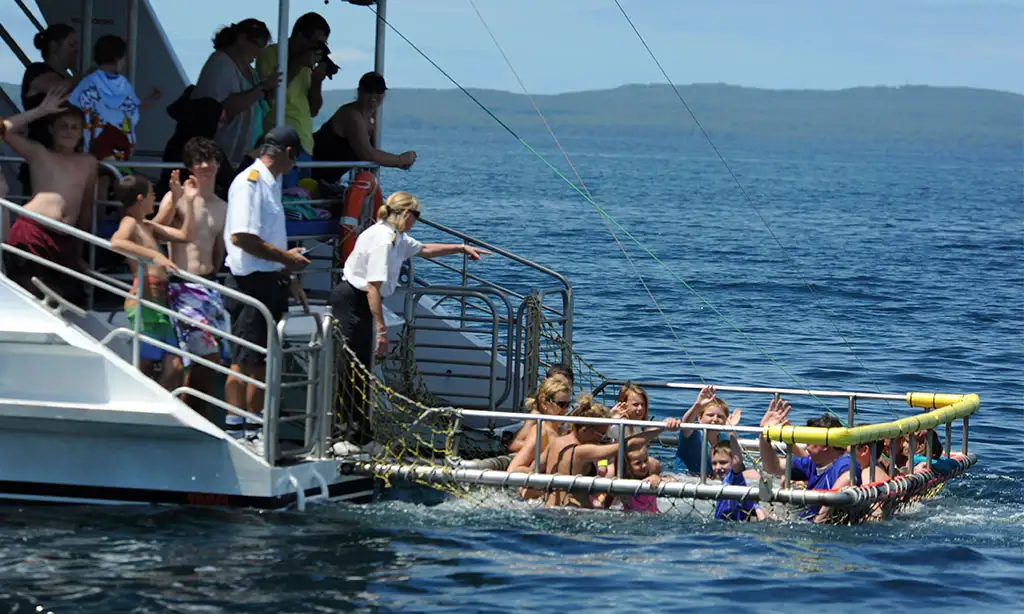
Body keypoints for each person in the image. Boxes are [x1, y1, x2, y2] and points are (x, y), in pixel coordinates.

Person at [330, 191, 490, 456]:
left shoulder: (397, 237)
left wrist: (460, 248)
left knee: (361, 372)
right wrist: (382, 330)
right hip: (352, 301)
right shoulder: (383, 239)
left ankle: (359, 436)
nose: (417, 221)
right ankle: (339, 436)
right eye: (417, 216)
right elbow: (372, 287)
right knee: (349, 370)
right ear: (406, 214)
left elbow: (425, 249)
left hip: (362, 302)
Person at [222, 125, 311, 443]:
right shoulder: (250, 183)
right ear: (288, 153)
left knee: (260, 360)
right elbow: (243, 238)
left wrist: (289, 275)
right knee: (244, 360)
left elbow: (270, 242)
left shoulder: (269, 184)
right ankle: (237, 427)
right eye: (294, 160)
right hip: (249, 283)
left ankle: (255, 428)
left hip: (270, 280)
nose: (292, 168)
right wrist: (287, 259)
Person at [152, 137, 230, 420]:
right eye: (199, 161)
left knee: (210, 361)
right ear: (190, 167)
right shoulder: (176, 197)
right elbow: (153, 229)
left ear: (219, 164)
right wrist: (177, 200)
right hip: (182, 284)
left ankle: (196, 416)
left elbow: (220, 249)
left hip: (210, 285)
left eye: (210, 159)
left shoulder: (222, 205)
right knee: (199, 355)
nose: (205, 165)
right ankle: (176, 414)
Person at [1, 89, 96, 304]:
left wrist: (79, 252)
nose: (69, 132)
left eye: (74, 127)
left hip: (66, 240)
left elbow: (87, 208)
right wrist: (41, 110)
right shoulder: (39, 153)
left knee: (72, 301)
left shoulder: (89, 163)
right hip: (32, 232)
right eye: (63, 126)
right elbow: (4, 130)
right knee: (30, 298)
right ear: (51, 129)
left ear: (82, 133)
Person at [110, 174, 196, 389]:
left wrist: (189, 201)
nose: (154, 198)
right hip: (144, 302)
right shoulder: (129, 222)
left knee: (175, 366)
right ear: (141, 199)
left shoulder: (147, 225)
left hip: (161, 304)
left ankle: (161, 407)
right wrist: (155, 255)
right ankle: (140, 404)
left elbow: (185, 234)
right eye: (152, 194)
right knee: (144, 367)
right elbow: (116, 242)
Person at [542, 396, 675, 509]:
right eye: (601, 434)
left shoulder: (554, 442)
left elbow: (530, 468)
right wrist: (662, 428)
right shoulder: (582, 451)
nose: (601, 439)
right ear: (584, 429)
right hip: (574, 512)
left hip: (548, 506)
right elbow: (629, 444)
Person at [256, 12, 331, 189]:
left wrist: (317, 81)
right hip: (279, 143)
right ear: (300, 36)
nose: (317, 48)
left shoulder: (308, 64)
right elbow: (270, 94)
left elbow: (313, 110)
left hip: (304, 145)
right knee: (285, 200)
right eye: (316, 43)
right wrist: (298, 63)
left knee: (300, 205)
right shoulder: (270, 55)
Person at [192, 19, 279, 168]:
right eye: (257, 46)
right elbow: (226, 107)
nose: (258, 53)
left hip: (244, 157)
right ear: (241, 39)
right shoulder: (221, 64)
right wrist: (263, 87)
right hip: (221, 158)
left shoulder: (250, 71)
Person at [68, 35, 161, 162]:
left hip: (92, 150)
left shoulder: (88, 82)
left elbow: (72, 108)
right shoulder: (124, 86)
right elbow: (135, 109)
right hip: (120, 149)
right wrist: (153, 98)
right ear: (119, 58)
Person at [312, 72, 416, 185]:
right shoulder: (351, 115)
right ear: (359, 91)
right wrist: (400, 160)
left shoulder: (372, 117)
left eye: (378, 92)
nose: (373, 96)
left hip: (328, 178)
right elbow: (367, 154)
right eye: (368, 91)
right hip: (312, 172)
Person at [758, 400, 851, 523]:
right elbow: (772, 467)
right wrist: (764, 435)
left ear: (824, 444)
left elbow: (848, 477)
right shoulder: (811, 463)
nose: (806, 447)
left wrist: (821, 516)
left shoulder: (844, 461)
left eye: (809, 442)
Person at [21, 24, 79, 153]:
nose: (76, 50)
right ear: (54, 46)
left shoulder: (69, 78)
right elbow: (57, 88)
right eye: (71, 45)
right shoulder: (36, 70)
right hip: (41, 152)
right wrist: (85, 78)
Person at [507, 376, 573, 469]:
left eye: (568, 405)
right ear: (544, 403)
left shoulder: (562, 430)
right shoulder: (541, 433)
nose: (565, 410)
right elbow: (514, 468)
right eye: (561, 404)